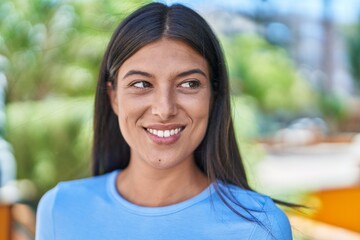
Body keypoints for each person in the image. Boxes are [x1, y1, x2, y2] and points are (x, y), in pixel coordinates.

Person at [36, 2, 292, 239]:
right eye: (141, 84)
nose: (164, 109)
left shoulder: (260, 226)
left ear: (213, 95)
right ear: (114, 97)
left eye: (189, 84)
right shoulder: (59, 209)